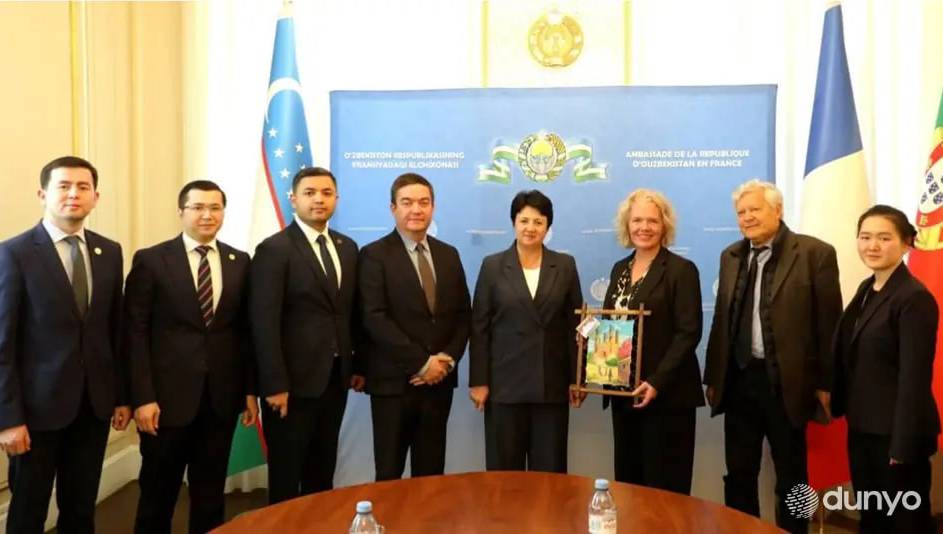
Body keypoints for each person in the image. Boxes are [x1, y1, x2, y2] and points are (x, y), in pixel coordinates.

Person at [703, 179, 842, 533]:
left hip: (789, 385)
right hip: (739, 382)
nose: (747, 217)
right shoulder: (730, 256)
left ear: (777, 210)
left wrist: (826, 384)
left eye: (755, 209)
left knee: (793, 476)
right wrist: (713, 377)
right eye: (741, 212)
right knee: (739, 473)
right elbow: (721, 320)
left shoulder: (814, 254)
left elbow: (830, 326)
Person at [0, 156, 130, 533]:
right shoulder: (14, 253)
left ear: (95, 197)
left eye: (83, 187)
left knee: (81, 507)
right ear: (43, 194)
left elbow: (115, 331)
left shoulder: (110, 252)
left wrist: (121, 397)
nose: (74, 194)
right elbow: (3, 343)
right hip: (36, 413)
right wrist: (8, 419)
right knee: (29, 511)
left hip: (93, 407)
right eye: (63, 186)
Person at [125, 180, 257, 533]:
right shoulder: (152, 260)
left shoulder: (239, 261)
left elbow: (244, 333)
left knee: (210, 494)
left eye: (215, 207)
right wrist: (142, 397)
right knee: (158, 494)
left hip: (220, 399)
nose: (207, 215)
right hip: (165, 402)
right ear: (181, 212)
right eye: (198, 207)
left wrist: (248, 391)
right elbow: (134, 334)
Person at [251, 167, 363, 502]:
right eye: (310, 193)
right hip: (290, 386)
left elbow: (350, 313)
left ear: (336, 198)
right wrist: (274, 384)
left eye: (326, 193)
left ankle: (318, 524)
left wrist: (356, 365)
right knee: (287, 475)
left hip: (335, 380)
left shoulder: (347, 247)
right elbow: (264, 321)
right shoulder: (274, 249)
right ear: (293, 199)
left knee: (322, 470)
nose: (319, 200)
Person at [831, 205, 939, 534]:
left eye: (884, 238)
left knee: (904, 523)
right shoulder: (868, 288)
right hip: (864, 427)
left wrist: (902, 446)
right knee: (873, 518)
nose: (872, 246)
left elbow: (914, 378)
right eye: (865, 237)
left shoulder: (913, 297)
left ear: (907, 243)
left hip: (897, 436)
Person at [359, 173, 471, 480]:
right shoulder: (373, 255)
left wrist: (446, 360)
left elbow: (464, 315)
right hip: (393, 385)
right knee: (389, 473)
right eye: (407, 202)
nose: (416, 210)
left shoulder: (449, 254)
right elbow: (374, 317)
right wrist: (422, 363)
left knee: (431, 474)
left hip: (439, 384)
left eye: (424, 202)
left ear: (433, 207)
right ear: (393, 208)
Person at [468, 190, 583, 473]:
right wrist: (479, 381)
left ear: (548, 226)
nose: (530, 228)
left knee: (550, 473)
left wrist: (577, 379)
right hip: (504, 387)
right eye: (524, 221)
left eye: (538, 222)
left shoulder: (565, 265)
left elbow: (576, 326)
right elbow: (479, 327)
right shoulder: (493, 266)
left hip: (551, 385)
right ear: (514, 223)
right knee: (504, 474)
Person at [600, 189, 703, 494]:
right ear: (626, 224)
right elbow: (610, 323)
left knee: (664, 488)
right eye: (637, 220)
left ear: (664, 225)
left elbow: (688, 332)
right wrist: (589, 338)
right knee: (628, 485)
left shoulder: (681, 270)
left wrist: (656, 382)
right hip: (624, 394)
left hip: (666, 397)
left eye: (652, 221)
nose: (644, 227)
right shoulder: (620, 269)